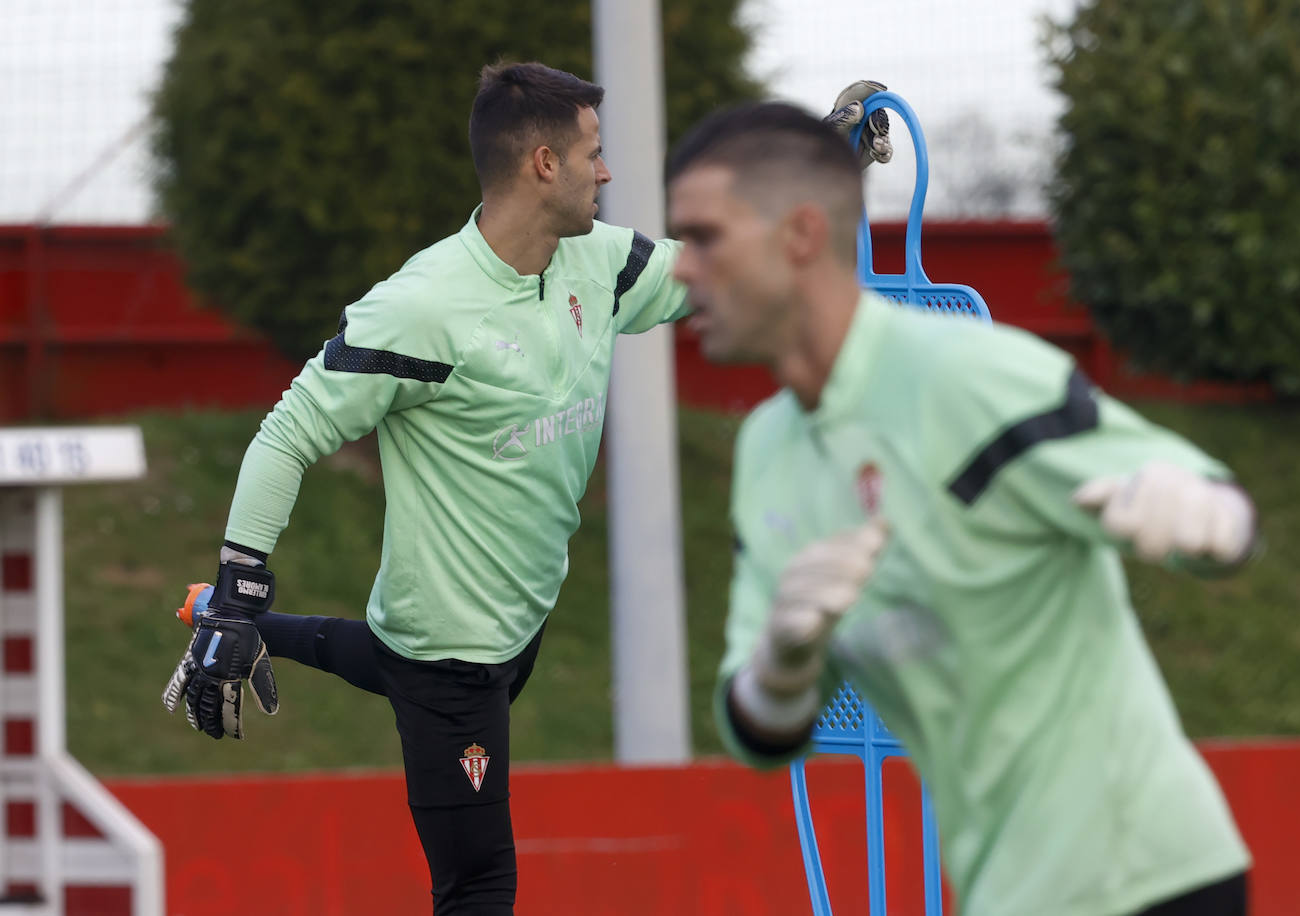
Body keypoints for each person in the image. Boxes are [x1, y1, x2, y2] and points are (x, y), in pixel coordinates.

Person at [158, 63, 893, 915]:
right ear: (544, 164)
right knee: (479, 886)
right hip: (456, 656)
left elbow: (715, 267)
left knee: (390, 657)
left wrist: (824, 162)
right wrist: (245, 580)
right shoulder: (421, 306)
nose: (607, 172)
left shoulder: (596, 263)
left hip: (512, 625)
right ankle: (233, 611)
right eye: (595, 153)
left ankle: (233, 620)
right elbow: (286, 432)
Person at [665, 101, 1256, 916]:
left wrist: (1204, 518)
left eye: (704, 237)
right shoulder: (768, 451)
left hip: (1146, 880)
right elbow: (758, 727)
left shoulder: (965, 376)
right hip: (1005, 894)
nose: (681, 268)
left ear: (800, 236)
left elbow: (1204, 498)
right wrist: (782, 666)